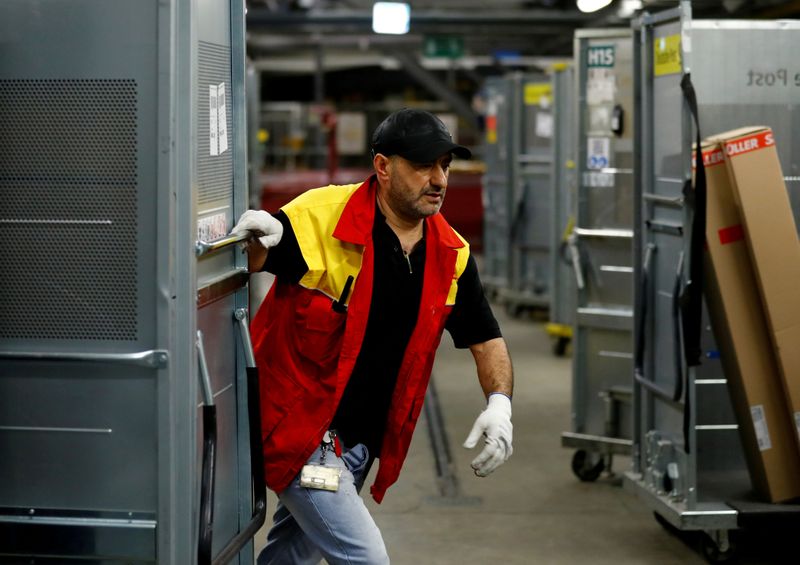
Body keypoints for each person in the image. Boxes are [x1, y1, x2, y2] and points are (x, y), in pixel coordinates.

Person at [231, 108, 514, 565]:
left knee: (291, 557)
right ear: (383, 167)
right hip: (300, 430)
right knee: (367, 558)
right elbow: (264, 252)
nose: (438, 179)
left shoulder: (451, 254)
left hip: (361, 444)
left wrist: (500, 405)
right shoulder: (322, 216)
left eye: (445, 165)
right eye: (423, 165)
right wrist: (261, 239)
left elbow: (485, 337)